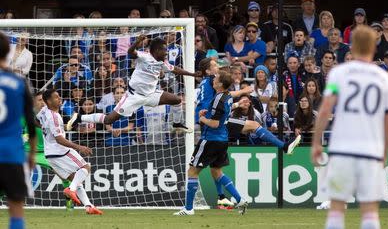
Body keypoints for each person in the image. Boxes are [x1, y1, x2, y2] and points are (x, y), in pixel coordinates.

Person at [311, 25, 388, 229]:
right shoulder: (384, 79)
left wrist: (316, 142)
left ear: (352, 46)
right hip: (371, 150)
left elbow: (325, 110)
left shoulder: (338, 74)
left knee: (337, 209)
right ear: (374, 47)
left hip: (342, 150)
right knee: (369, 212)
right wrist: (385, 152)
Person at [68, 36, 199, 131]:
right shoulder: (145, 56)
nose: (166, 52)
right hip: (133, 96)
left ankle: (176, 123)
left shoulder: (162, 62)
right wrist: (137, 42)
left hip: (151, 94)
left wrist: (193, 74)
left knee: (176, 100)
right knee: (109, 120)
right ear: (156, 50)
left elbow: (175, 69)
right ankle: (79, 117)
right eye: (164, 50)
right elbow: (130, 52)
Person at [174, 71, 248, 216]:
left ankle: (188, 208)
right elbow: (223, 112)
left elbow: (214, 123)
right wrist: (207, 112)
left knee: (192, 171)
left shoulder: (218, 99)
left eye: (216, 78)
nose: (213, 80)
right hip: (222, 140)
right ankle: (239, 199)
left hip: (210, 139)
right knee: (217, 172)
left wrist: (202, 119)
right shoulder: (226, 96)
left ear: (220, 84)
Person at [37, 89, 102, 215]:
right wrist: (80, 147)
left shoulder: (43, 111)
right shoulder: (55, 117)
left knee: (75, 178)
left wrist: (46, 128)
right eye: (56, 97)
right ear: (48, 101)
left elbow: (36, 120)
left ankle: (88, 206)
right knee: (86, 167)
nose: (59, 99)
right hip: (60, 151)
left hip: (49, 155)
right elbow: (60, 139)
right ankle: (70, 190)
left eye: (59, 96)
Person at [0, 32, 37, 229]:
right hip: (12, 155)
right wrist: (31, 154)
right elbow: (30, 123)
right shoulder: (19, 83)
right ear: (8, 52)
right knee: (15, 208)